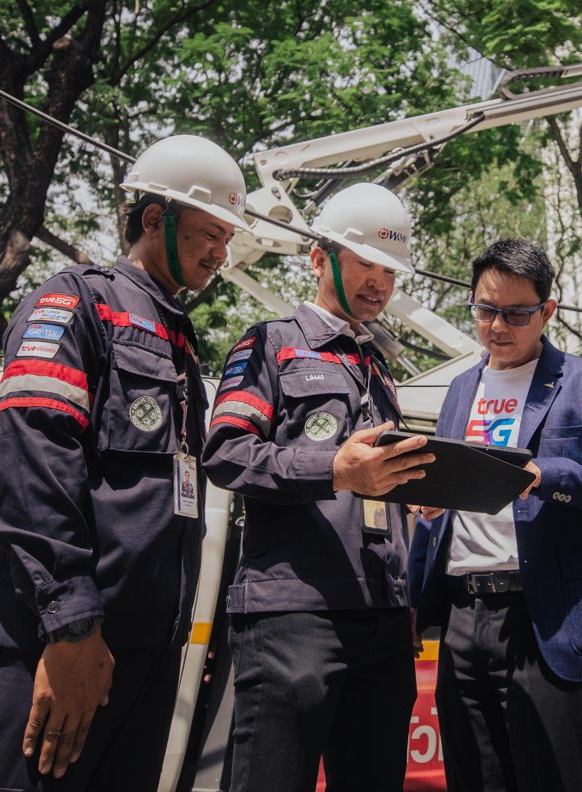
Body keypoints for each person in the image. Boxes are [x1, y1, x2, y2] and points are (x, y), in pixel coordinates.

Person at [0, 135, 250, 791]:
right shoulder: (78, 302)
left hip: (141, 655)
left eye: (227, 237)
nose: (221, 253)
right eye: (209, 233)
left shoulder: (177, 336)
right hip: (55, 641)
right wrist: (71, 627)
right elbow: (28, 464)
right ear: (155, 217)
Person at [200, 182, 434, 792]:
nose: (380, 283)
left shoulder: (378, 368)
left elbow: (374, 488)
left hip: (383, 619)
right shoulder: (268, 344)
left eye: (390, 270)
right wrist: (334, 470)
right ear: (318, 257)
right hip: (292, 617)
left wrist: (412, 495)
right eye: (365, 263)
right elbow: (225, 453)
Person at [409, 238, 582, 792]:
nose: (498, 326)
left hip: (547, 619)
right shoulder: (458, 391)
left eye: (516, 313)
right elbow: (439, 514)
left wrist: (551, 474)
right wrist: (414, 597)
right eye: (485, 310)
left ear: (546, 311)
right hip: (463, 618)